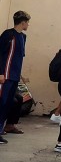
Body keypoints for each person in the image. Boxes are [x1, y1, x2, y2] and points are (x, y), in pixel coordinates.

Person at [0, 11, 30, 143]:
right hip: (5, 75)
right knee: (2, 102)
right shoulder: (8, 35)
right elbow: (1, 54)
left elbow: (18, 58)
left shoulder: (23, 37)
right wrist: (1, 73)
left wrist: (21, 76)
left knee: (9, 103)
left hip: (15, 76)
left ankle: (2, 128)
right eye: (27, 22)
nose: (28, 24)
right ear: (22, 22)